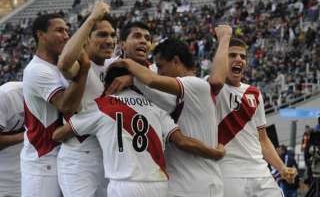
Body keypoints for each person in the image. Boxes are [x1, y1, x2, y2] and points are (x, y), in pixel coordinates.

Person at [53, 65, 225, 197]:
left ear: (109, 83)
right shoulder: (156, 108)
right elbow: (182, 141)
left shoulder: (101, 107)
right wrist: (215, 152)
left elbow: (59, 135)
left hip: (124, 184)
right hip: (158, 185)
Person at [107, 24, 231, 196]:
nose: (159, 72)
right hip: (202, 182)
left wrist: (126, 66)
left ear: (176, 61)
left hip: (188, 185)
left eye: (160, 66)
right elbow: (216, 80)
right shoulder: (195, 90)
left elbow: (150, 81)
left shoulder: (193, 85)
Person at [215, 38, 297, 197]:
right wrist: (224, 37)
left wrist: (282, 168)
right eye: (232, 55)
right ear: (221, 59)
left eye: (243, 56)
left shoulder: (254, 93)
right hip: (228, 173)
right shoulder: (212, 88)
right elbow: (215, 79)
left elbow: (263, 139)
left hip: (260, 171)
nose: (239, 59)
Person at [22, 13, 90, 197]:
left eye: (68, 30)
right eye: (59, 30)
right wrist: (84, 70)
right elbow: (66, 106)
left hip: (62, 154)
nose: (66, 36)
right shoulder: (37, 70)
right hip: (42, 160)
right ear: (40, 35)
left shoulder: (61, 67)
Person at [54, 2, 112, 196]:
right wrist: (92, 18)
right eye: (102, 34)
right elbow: (64, 64)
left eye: (112, 35)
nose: (109, 40)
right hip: (79, 157)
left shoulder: (114, 66)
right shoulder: (80, 67)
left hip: (108, 155)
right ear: (86, 40)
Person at [0, 81, 24, 197]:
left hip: (30, 170)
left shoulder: (52, 96)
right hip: (5, 178)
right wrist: (26, 136)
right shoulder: (7, 95)